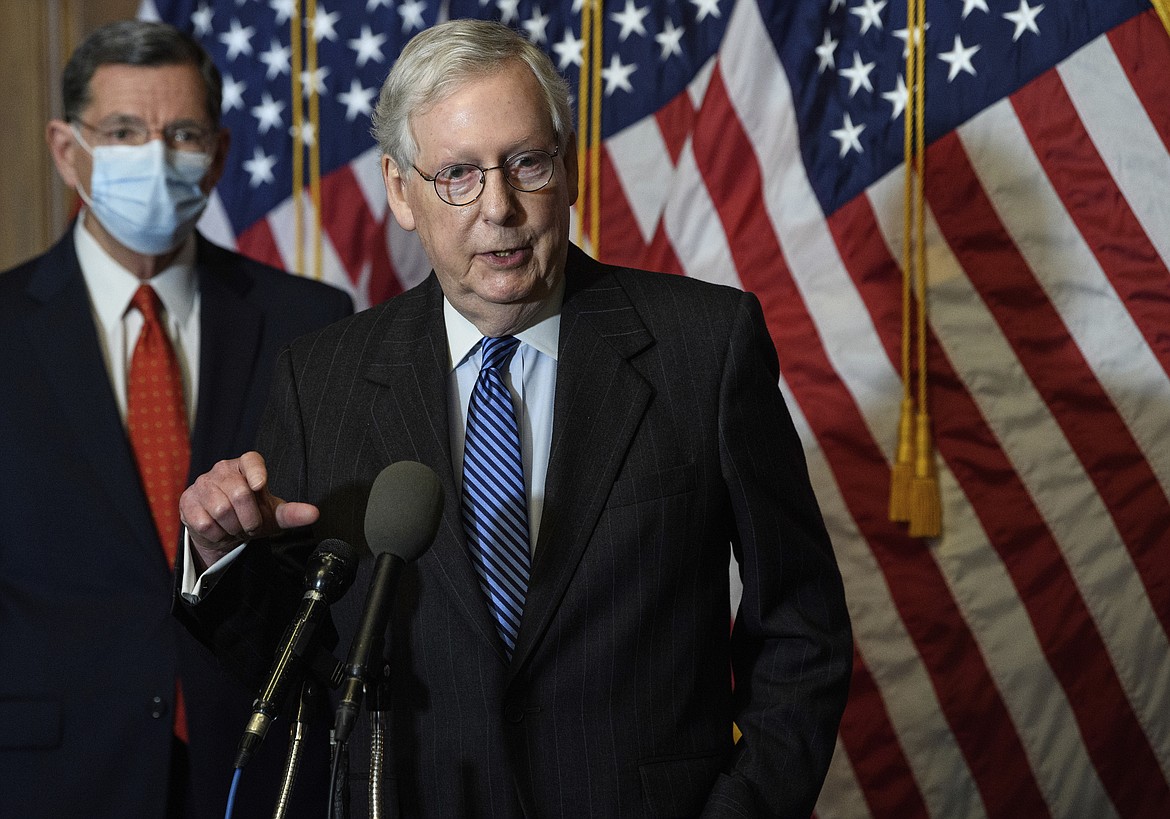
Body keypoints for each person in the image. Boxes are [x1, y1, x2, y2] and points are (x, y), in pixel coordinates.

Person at [178, 18, 852, 818]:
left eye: (525, 162)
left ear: (565, 171)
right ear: (400, 190)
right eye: (457, 174)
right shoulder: (319, 378)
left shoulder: (704, 348)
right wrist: (218, 558)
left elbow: (803, 629)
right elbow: (292, 670)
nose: (498, 207)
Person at [0, 19, 353, 819]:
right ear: (66, 150)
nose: (155, 157)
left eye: (182, 133)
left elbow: (329, 571)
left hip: (256, 766)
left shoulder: (312, 320)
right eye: (123, 132)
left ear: (219, 153)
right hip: (46, 777)